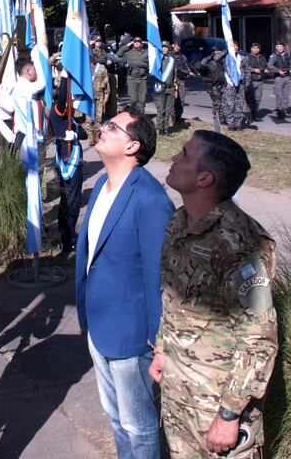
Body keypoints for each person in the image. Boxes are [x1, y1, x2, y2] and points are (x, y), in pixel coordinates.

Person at [151, 130, 278, 458]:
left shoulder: (239, 244)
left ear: (204, 178)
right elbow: (173, 297)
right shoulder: (179, 224)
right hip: (180, 398)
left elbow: (259, 340)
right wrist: (162, 349)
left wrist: (229, 414)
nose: (175, 159)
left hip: (217, 408)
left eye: (184, 155)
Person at [76, 110, 174, 459]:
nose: (102, 128)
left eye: (112, 127)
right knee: (117, 421)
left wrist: (157, 341)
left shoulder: (151, 200)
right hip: (99, 327)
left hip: (132, 338)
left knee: (140, 428)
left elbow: (158, 277)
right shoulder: (102, 184)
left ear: (133, 145)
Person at [50, 76, 85, 253]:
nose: (71, 100)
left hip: (73, 160)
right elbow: (63, 96)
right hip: (67, 162)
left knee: (70, 202)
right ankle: (68, 239)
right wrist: (65, 76)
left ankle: (67, 236)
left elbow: (84, 134)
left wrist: (75, 133)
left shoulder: (70, 117)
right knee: (70, 204)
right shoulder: (57, 112)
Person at [118, 36, 149, 113]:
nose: (137, 43)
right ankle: (134, 116)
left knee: (142, 100)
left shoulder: (146, 52)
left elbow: (155, 55)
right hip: (132, 79)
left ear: (141, 44)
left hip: (142, 79)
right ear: (133, 43)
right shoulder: (129, 52)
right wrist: (128, 45)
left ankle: (141, 117)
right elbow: (118, 54)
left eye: (138, 42)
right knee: (133, 100)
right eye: (135, 42)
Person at [220, 43, 247, 131]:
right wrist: (226, 50)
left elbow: (247, 70)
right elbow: (216, 58)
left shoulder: (242, 57)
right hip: (229, 84)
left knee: (239, 104)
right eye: (233, 46)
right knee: (230, 105)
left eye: (236, 46)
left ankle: (238, 123)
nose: (235, 47)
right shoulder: (226, 57)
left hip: (240, 83)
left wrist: (247, 82)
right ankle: (230, 123)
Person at [152, 40, 176, 135]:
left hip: (170, 88)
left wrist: (175, 88)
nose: (164, 49)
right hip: (160, 88)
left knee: (168, 110)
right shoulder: (158, 60)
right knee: (161, 109)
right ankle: (160, 129)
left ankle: (166, 129)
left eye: (166, 47)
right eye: (163, 47)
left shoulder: (172, 60)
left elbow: (175, 75)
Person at [87, 52, 111, 146]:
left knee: (98, 117)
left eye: (95, 57)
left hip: (99, 96)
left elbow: (106, 82)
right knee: (89, 119)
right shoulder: (86, 68)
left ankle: (97, 136)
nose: (93, 58)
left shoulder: (101, 67)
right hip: (88, 97)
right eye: (91, 57)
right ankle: (90, 137)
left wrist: (107, 95)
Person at [201, 48, 226, 126]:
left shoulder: (223, 62)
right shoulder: (210, 62)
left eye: (219, 52)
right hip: (214, 84)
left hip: (222, 84)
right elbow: (202, 63)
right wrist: (212, 55)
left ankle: (222, 119)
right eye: (216, 52)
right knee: (216, 102)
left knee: (224, 102)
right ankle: (216, 118)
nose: (218, 54)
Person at [267, 41, 291, 119]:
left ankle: (285, 110)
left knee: (286, 95)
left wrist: (290, 70)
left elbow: (290, 64)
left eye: (281, 46)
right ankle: (279, 111)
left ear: (283, 47)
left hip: (287, 77)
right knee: (279, 95)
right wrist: (278, 71)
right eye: (278, 46)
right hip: (278, 77)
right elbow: (270, 66)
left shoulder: (286, 55)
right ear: (276, 48)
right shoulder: (274, 56)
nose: (280, 48)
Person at [172, 42, 195, 124]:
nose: (177, 47)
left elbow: (186, 66)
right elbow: (177, 68)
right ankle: (173, 116)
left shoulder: (182, 56)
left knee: (181, 99)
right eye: (175, 46)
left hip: (181, 80)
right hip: (173, 81)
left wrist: (190, 72)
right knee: (173, 99)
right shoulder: (170, 56)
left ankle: (178, 116)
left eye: (178, 46)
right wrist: (187, 72)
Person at [243, 43, 267, 122]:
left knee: (257, 99)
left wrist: (266, 70)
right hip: (251, 81)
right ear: (251, 49)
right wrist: (253, 70)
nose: (256, 50)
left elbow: (265, 66)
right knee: (249, 99)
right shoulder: (247, 57)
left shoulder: (262, 57)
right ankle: (248, 116)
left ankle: (255, 114)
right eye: (254, 48)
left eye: (257, 48)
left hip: (260, 80)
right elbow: (243, 68)